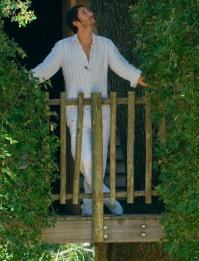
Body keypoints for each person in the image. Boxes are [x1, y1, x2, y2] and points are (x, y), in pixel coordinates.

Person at [32, 5, 147, 216]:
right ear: (76, 22)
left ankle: (87, 206)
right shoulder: (63, 47)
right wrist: (22, 83)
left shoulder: (105, 45)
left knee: (98, 161)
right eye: (84, 12)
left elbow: (121, 66)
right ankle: (108, 197)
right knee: (85, 159)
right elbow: (44, 69)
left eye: (89, 11)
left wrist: (141, 79)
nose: (91, 14)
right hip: (76, 113)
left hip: (101, 112)